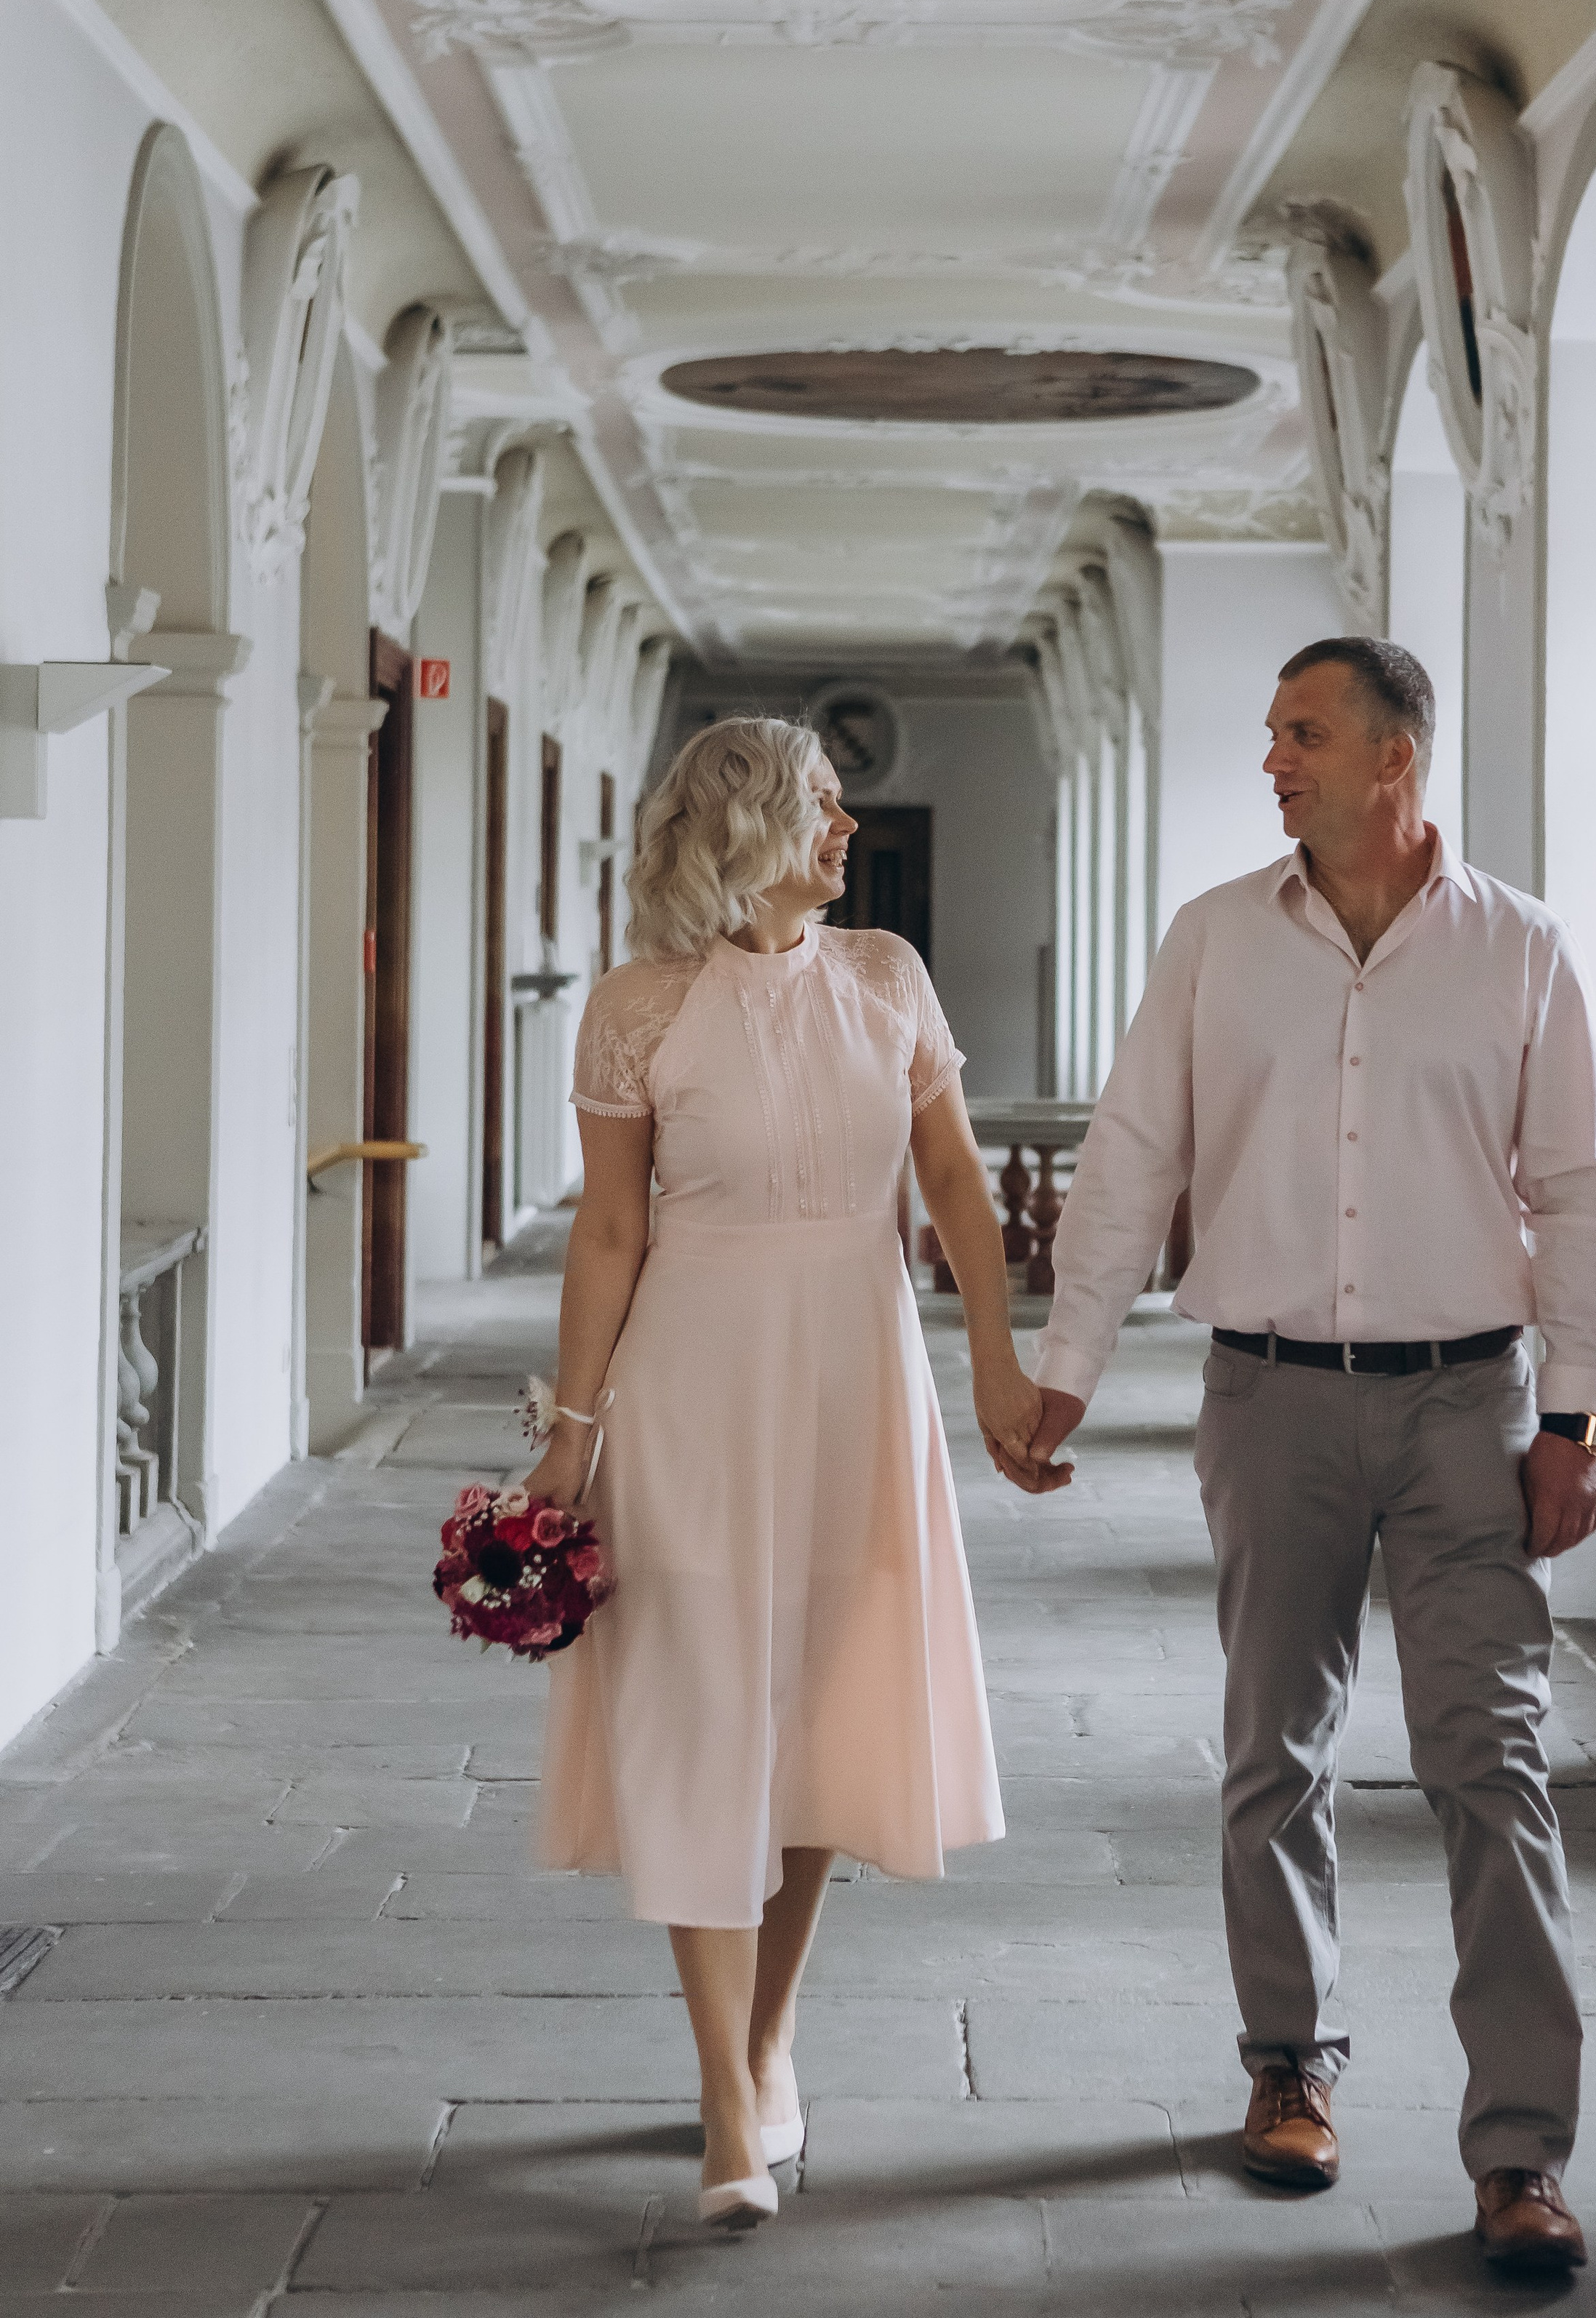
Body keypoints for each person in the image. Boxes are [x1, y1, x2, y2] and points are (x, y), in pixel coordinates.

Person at [996, 639, 1596, 2278]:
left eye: (1304, 732)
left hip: (1467, 1404)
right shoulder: (1215, 938)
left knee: (1493, 1762)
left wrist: (1574, 1416)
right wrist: (1065, 1370)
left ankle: (1521, 2154)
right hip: (1268, 1397)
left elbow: (1577, 1191)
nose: (1274, 758)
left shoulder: (1520, 946)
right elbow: (1132, 1157)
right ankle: (1288, 2065)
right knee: (1273, 1746)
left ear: (1394, 758)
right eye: (1274, 732)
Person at [526, 716, 1040, 2229]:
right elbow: (609, 1230)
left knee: (821, 1706)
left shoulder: (886, 977)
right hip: (691, 1389)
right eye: (822, 801)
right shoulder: (637, 1008)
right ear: (744, 826)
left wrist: (995, 1363)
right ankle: (722, 2102)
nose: (846, 826)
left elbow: (952, 1179)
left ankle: (767, 2040)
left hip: (856, 1380)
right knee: (695, 1709)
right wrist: (570, 1431)